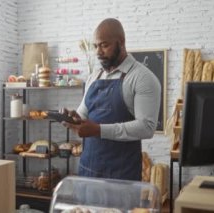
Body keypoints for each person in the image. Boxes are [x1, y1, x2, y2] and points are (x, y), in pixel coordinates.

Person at [62, 18, 161, 181]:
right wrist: (73, 118)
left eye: (104, 45)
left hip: (122, 177)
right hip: (88, 171)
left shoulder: (142, 77)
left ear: (121, 42)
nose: (98, 52)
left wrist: (98, 130)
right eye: (95, 46)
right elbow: (83, 114)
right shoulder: (94, 76)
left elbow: (146, 127)